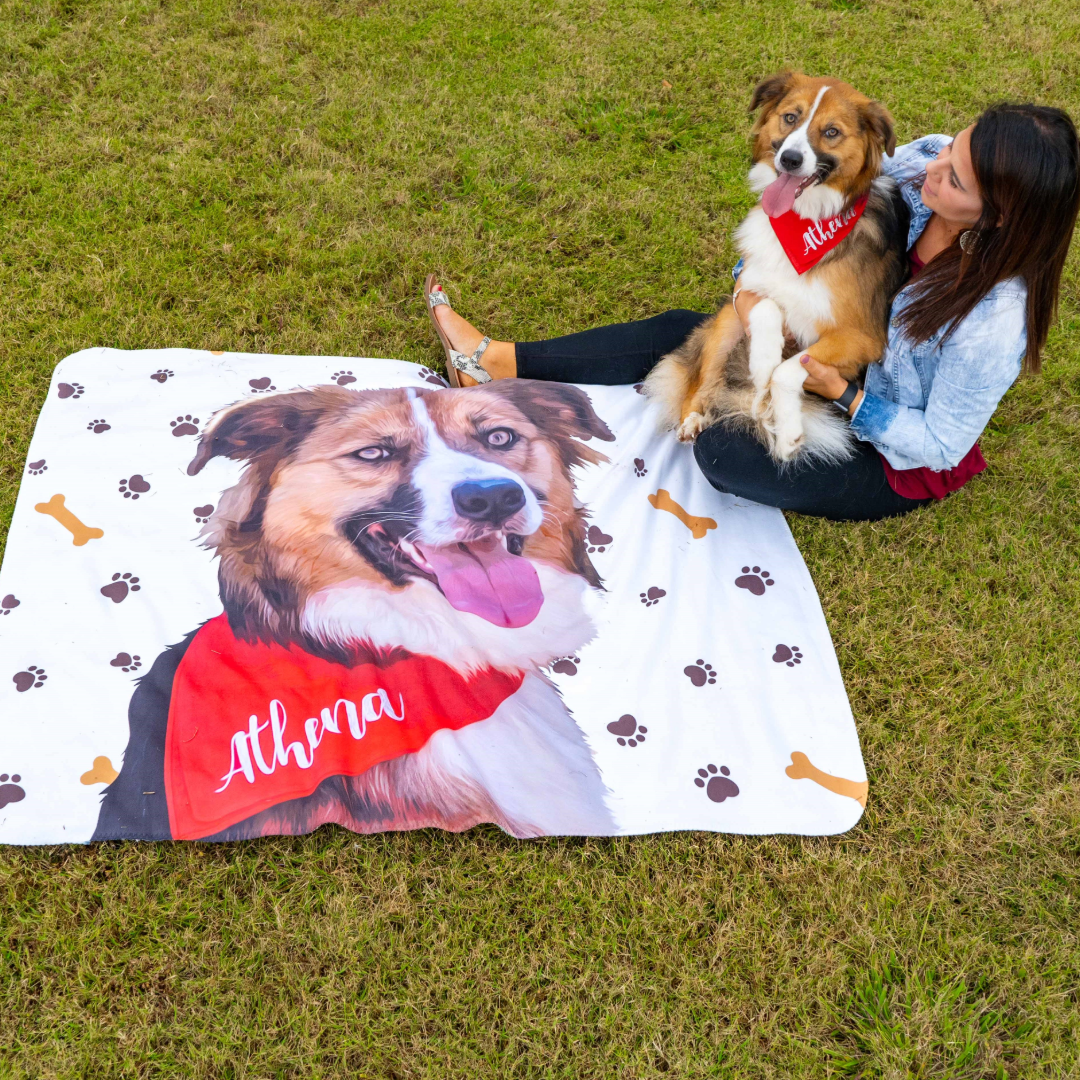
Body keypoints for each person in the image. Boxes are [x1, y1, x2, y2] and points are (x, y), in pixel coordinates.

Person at [424, 103, 1080, 522]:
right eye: (950, 149)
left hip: (880, 449)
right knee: (685, 329)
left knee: (725, 453)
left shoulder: (994, 321)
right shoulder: (916, 168)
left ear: (999, 216)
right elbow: (789, 231)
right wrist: (746, 290)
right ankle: (493, 362)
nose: (933, 166)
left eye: (956, 178)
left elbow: (941, 444)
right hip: (813, 349)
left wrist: (845, 396)